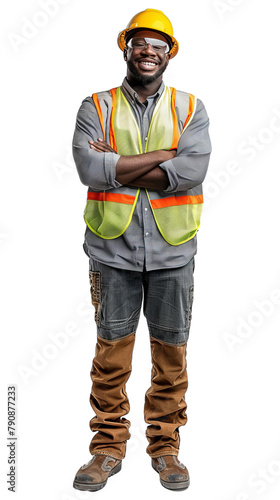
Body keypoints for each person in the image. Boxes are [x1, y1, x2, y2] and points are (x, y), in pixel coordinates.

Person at [72, 8, 211, 492]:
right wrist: (159, 157)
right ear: (125, 47)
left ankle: (166, 448)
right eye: (139, 42)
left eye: (157, 43)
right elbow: (90, 171)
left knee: (172, 355)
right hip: (113, 250)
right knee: (111, 355)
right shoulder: (97, 105)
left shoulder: (190, 108)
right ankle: (107, 448)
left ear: (169, 52)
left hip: (174, 252)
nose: (147, 50)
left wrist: (118, 164)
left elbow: (191, 173)